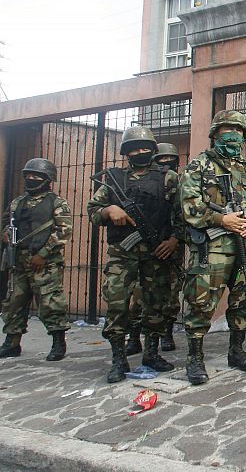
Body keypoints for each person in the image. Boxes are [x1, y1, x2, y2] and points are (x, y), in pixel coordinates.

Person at [180, 110, 246, 385]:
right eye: (227, 130)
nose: (233, 135)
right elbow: (188, 205)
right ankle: (195, 358)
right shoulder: (199, 166)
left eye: (238, 131)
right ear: (215, 134)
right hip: (213, 248)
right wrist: (221, 219)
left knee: (244, 299)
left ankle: (236, 350)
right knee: (200, 303)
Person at [87, 127, 179, 383]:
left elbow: (183, 214)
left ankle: (151, 354)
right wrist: (109, 210)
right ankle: (119, 359)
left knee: (156, 304)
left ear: (153, 149)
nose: (140, 152)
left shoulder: (168, 178)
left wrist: (173, 240)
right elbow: (93, 211)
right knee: (117, 304)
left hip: (156, 253)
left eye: (145, 148)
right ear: (126, 152)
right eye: (134, 149)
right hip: (122, 254)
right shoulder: (114, 179)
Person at [0, 158, 72, 361]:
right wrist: (5, 234)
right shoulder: (17, 202)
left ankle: (58, 343)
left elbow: (64, 231)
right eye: (29, 176)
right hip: (19, 259)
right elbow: (6, 224)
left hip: (45, 262)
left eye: (37, 176)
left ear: (47, 179)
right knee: (14, 302)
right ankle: (12, 343)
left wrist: (43, 253)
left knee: (51, 303)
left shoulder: (56, 202)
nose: (31, 179)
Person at [125, 142, 184, 355]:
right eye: (162, 161)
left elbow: (184, 215)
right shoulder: (141, 181)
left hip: (171, 247)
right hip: (143, 246)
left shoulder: (179, 182)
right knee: (140, 295)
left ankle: (165, 333)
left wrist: (175, 240)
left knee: (169, 294)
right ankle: (134, 336)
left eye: (171, 162)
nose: (166, 165)